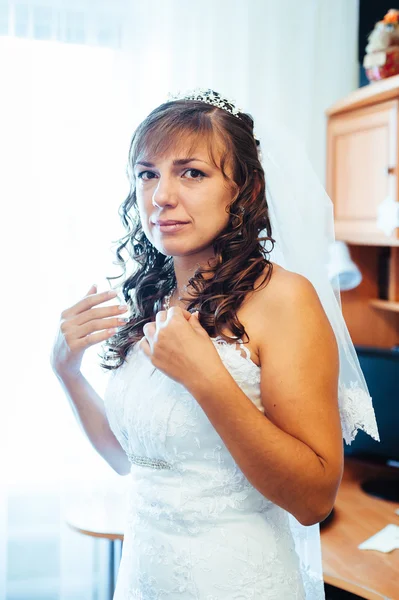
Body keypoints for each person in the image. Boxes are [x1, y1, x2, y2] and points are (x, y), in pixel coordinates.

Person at [50, 89, 379, 599]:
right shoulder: (151, 297)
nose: (161, 195)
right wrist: (66, 370)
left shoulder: (285, 299)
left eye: (192, 173)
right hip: (142, 575)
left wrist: (207, 378)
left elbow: (314, 499)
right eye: (147, 173)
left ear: (242, 190)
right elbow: (129, 458)